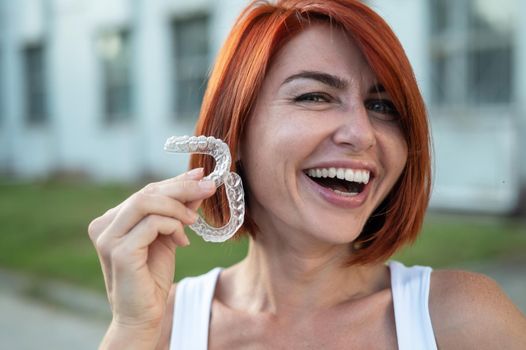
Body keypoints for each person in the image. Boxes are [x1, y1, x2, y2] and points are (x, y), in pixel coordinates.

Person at [88, 0, 526, 349]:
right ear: (234, 130)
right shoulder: (158, 329)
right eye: (316, 96)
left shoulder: (464, 322)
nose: (362, 134)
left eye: (382, 106)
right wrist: (130, 330)